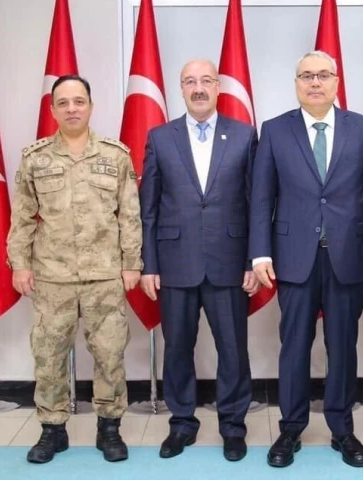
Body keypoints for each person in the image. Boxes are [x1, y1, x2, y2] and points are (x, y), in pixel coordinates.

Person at [249, 50, 363, 468]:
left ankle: (342, 429)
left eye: (323, 75)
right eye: (306, 76)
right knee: (294, 345)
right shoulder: (275, 130)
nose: (315, 82)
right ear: (296, 83)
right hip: (293, 257)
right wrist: (260, 251)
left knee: (343, 345)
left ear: (336, 81)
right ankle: (290, 429)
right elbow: (261, 197)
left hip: (348, 256)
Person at [7, 75, 142, 464]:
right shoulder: (35, 158)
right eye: (63, 103)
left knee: (110, 354)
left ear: (91, 106)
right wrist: (19, 264)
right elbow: (22, 218)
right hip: (53, 276)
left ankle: (109, 428)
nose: (72, 109)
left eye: (79, 101)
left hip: (105, 275)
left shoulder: (115, 156)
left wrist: (131, 263)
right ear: (52, 110)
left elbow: (129, 215)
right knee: (49, 356)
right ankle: (52, 430)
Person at [139, 59, 259, 462]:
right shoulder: (160, 137)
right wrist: (149, 264)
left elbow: (255, 204)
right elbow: (148, 208)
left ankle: (233, 427)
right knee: (177, 349)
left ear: (218, 86)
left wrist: (253, 260)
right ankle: (181, 424)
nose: (199, 88)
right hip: (175, 263)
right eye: (190, 81)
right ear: (181, 88)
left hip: (230, 262)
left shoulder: (244, 135)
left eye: (206, 80)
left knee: (233, 350)